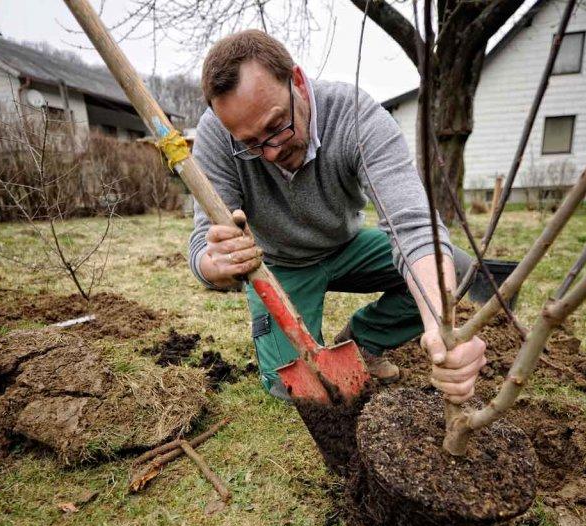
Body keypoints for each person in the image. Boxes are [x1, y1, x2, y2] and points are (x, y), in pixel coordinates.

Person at [188, 29, 486, 403]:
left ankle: (361, 343)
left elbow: (412, 224)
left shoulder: (355, 116)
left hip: (347, 246)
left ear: (296, 80)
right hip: (278, 266)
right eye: (251, 144)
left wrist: (440, 326)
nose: (271, 153)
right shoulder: (216, 135)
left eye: (276, 126)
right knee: (297, 390)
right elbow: (203, 243)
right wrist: (216, 263)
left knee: (453, 270)